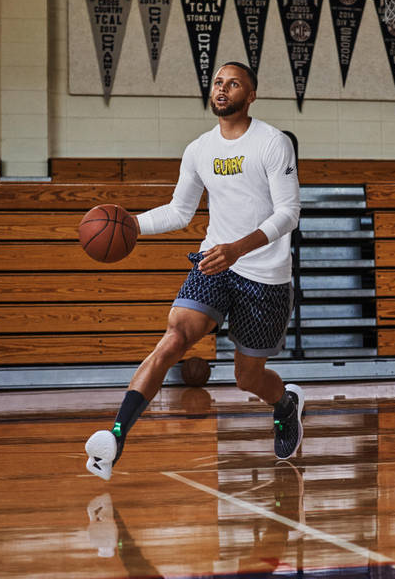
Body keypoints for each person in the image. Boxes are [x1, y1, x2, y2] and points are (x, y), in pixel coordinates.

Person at [85, 61, 304, 480]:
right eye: (218, 82)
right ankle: (115, 436)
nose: (223, 89)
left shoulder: (272, 143)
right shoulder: (200, 148)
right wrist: (133, 224)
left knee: (247, 378)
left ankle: (285, 404)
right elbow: (180, 211)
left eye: (233, 84)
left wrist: (239, 249)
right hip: (214, 263)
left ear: (251, 95)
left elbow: (289, 213)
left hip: (265, 275)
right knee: (173, 339)